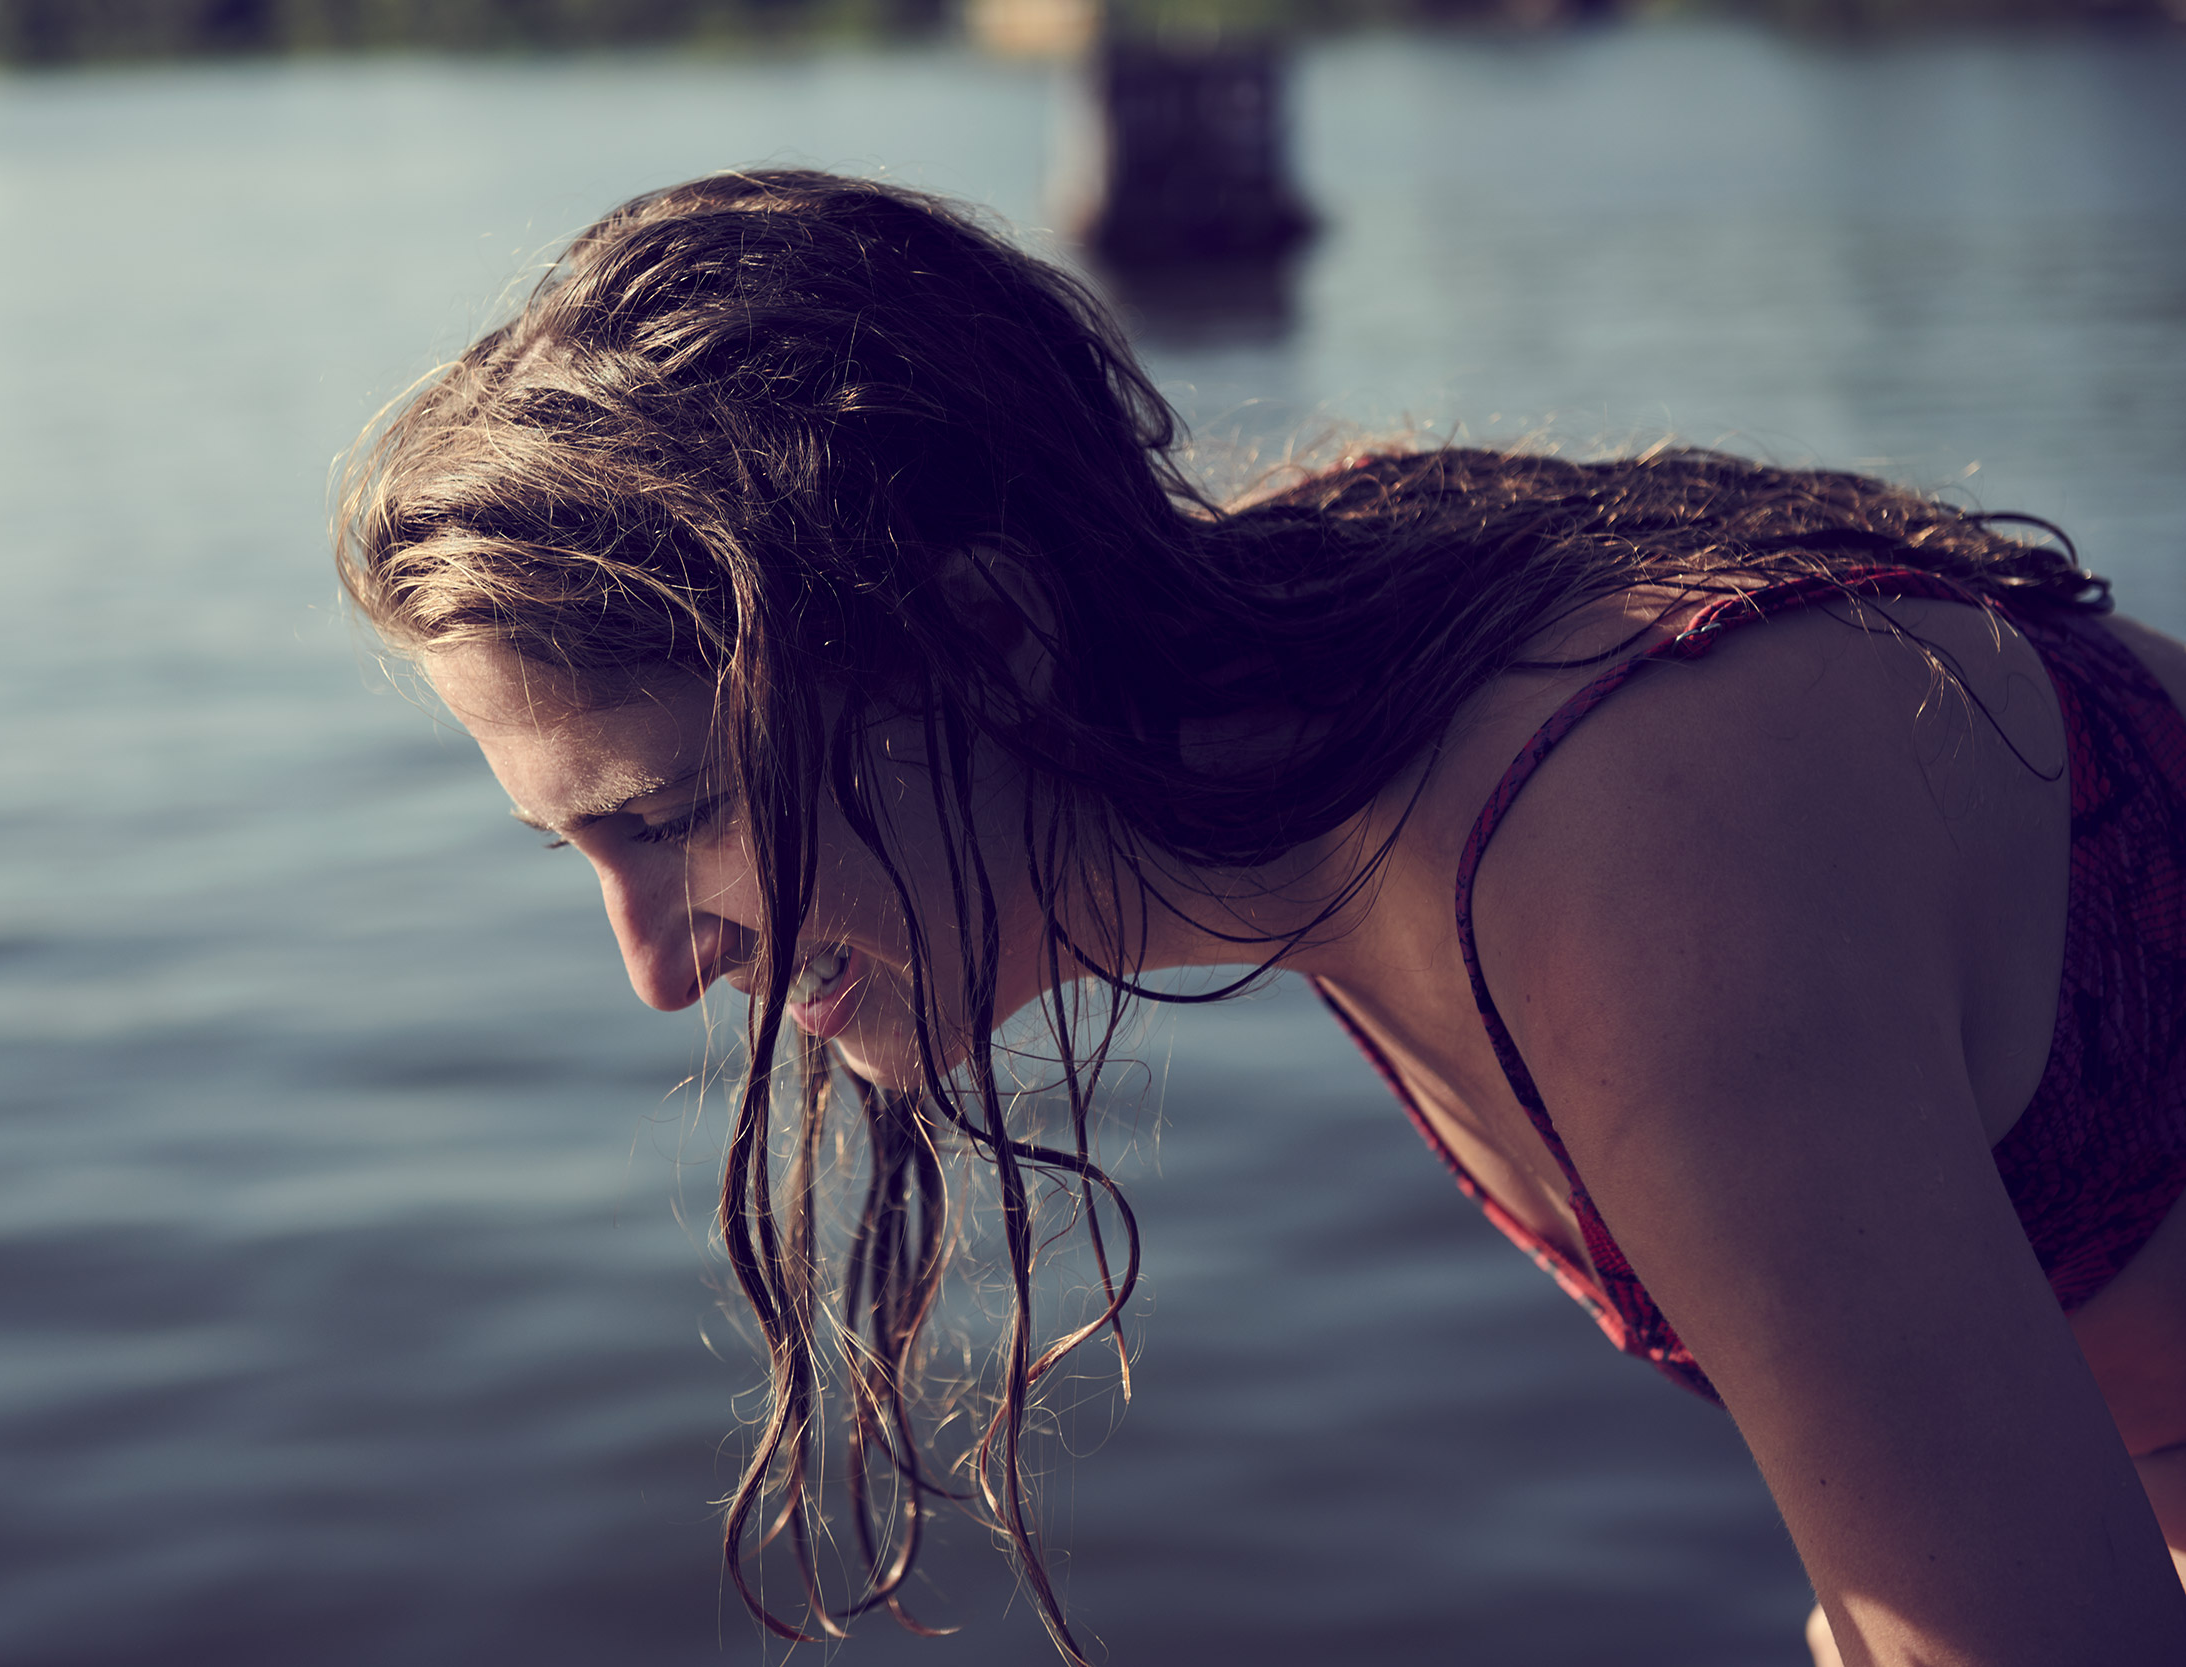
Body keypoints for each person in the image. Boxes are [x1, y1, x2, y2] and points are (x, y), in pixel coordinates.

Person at [333, 169, 2186, 1666]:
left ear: (988, 638)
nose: (657, 967)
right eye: (580, 851)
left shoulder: (1617, 845)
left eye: (675, 817)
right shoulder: (1316, 650)